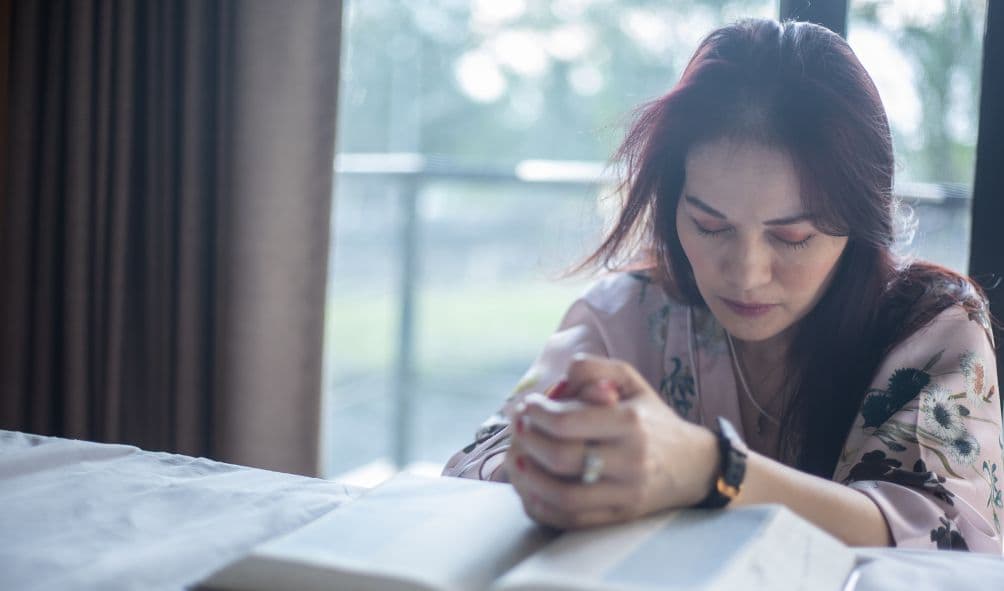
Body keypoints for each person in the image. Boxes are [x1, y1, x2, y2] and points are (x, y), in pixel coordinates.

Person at [442, 18, 1003, 553]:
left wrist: (712, 470)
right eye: (710, 226)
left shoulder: (933, 329)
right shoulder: (632, 311)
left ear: (858, 226)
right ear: (671, 208)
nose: (745, 272)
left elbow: (948, 537)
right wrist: (557, 449)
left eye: (793, 237)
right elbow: (476, 462)